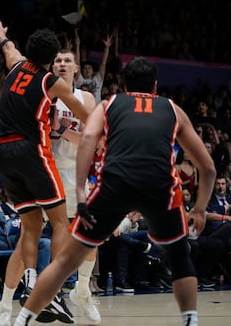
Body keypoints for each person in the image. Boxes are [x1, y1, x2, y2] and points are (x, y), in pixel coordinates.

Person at [13, 57, 216, 326]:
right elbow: (209, 168)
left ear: (123, 84)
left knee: (65, 261)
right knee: (179, 257)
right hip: (160, 188)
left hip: (115, 184)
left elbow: (87, 139)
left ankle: (23, 320)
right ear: (155, 86)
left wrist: (83, 193)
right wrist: (200, 208)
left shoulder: (110, 104)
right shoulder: (173, 109)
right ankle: (191, 320)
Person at [0, 22, 90, 326]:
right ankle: (52, 288)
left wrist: (1, 34)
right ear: (52, 57)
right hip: (32, 152)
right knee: (60, 221)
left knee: (30, 225)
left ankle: (31, 281)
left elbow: (8, 47)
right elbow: (84, 115)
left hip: (3, 154)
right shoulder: (52, 82)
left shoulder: (15, 66)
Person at [49, 49, 100, 323]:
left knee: (91, 232)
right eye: (57, 60)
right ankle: (54, 292)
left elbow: (91, 140)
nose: (62, 64)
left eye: (67, 60)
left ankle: (82, 289)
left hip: (75, 172)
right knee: (55, 233)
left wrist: (63, 130)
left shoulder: (86, 98)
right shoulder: (46, 94)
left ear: (76, 68)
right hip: (49, 171)